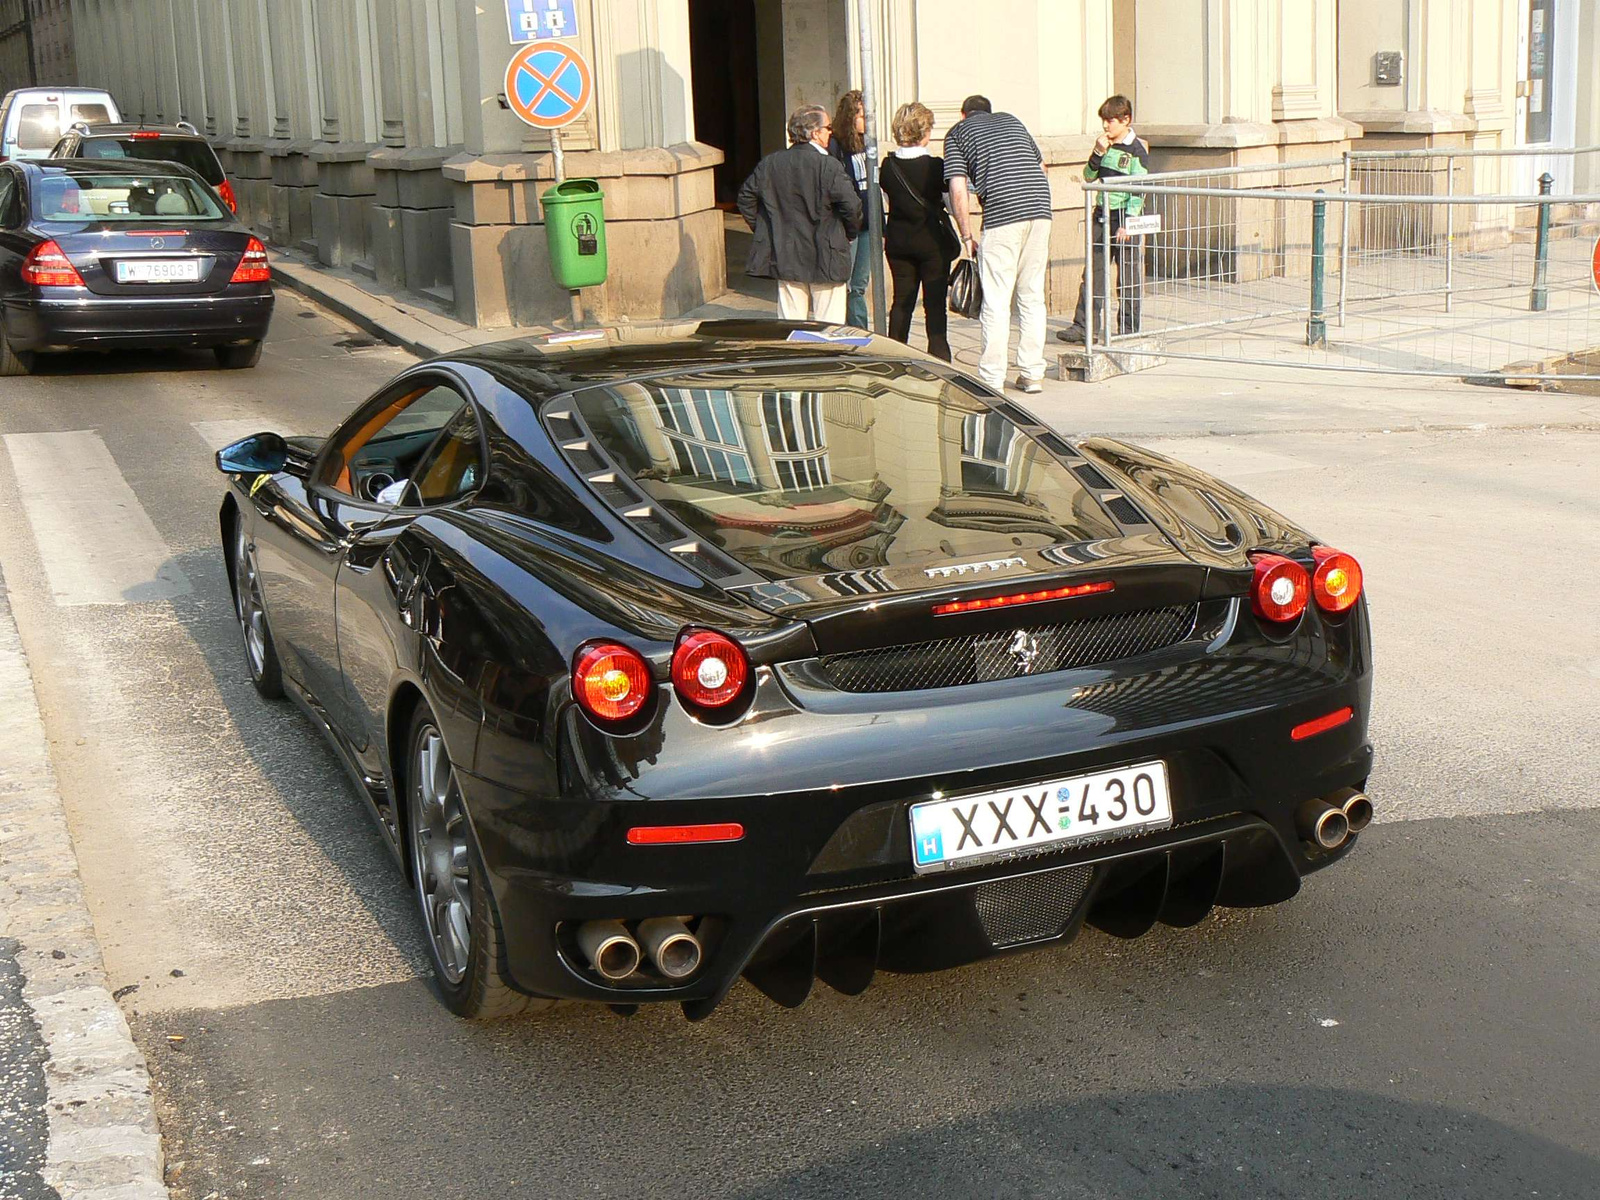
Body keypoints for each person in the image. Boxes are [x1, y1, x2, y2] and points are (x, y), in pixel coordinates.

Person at [944, 95, 1054, 394]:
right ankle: (1032, 373)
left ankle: (992, 378)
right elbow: (1042, 168)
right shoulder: (1013, 121)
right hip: (1040, 210)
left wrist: (966, 235)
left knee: (996, 299)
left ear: (964, 114)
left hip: (1003, 215)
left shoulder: (958, 132)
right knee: (1031, 295)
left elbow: (957, 187)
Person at [738, 104, 863, 323]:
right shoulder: (828, 166)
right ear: (815, 133)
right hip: (827, 254)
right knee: (829, 327)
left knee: (790, 325)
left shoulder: (771, 163)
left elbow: (746, 198)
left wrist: (765, 229)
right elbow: (851, 206)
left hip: (787, 252)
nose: (830, 132)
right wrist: (849, 233)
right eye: (827, 127)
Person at [1059, 94, 1149, 344]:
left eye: (1111, 121)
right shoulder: (1105, 146)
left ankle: (1130, 328)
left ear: (1125, 120)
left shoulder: (1136, 151)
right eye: (1104, 121)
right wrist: (1097, 153)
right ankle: (1084, 326)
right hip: (1102, 214)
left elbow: (1138, 188)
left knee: (1128, 275)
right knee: (1094, 272)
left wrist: (1129, 222)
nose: (1106, 126)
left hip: (1123, 216)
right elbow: (1088, 176)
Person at [880, 101, 958, 361]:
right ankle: (939, 356)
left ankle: (894, 356)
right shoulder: (936, 166)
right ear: (924, 131)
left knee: (901, 302)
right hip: (931, 243)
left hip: (899, 241)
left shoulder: (887, 166)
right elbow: (950, 202)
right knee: (934, 304)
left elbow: (886, 201)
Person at [829, 89, 872, 329]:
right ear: (850, 117)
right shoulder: (836, 145)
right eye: (863, 116)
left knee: (859, 284)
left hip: (868, 221)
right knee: (845, 284)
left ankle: (860, 331)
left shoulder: (868, 143)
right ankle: (848, 329)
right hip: (847, 223)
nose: (867, 121)